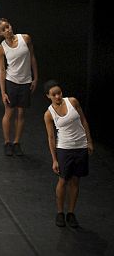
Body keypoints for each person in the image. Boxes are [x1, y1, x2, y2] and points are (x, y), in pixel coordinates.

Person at [43, 80, 93, 228]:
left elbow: (84, 121)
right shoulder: (49, 114)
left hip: (80, 146)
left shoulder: (73, 102)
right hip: (64, 148)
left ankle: (71, 213)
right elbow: (51, 137)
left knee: (76, 180)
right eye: (54, 94)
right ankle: (60, 212)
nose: (57, 96)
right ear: (48, 96)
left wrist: (89, 141)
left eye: (59, 93)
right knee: (63, 180)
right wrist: (54, 159)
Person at [0, 18, 39, 156]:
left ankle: (17, 142)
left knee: (21, 113)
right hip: (11, 81)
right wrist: (3, 92)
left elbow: (32, 57)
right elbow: (2, 70)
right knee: (9, 112)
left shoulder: (25, 38)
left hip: (25, 81)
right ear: (0, 33)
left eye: (7, 26)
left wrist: (35, 78)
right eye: (3, 29)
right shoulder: (1, 49)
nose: (7, 30)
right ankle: (7, 142)